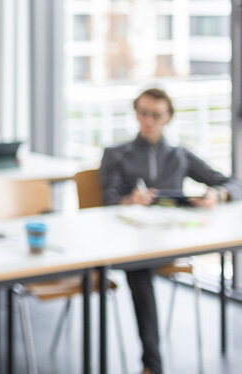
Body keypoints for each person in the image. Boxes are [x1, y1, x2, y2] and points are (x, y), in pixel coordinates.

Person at [99, 88, 241, 374]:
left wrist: (218, 195)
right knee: (139, 269)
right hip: (130, 243)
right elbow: (107, 201)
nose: (148, 121)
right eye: (143, 113)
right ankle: (152, 364)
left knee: (143, 267)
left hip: (171, 240)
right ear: (136, 113)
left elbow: (231, 183)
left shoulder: (179, 155)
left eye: (156, 115)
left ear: (169, 117)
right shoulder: (116, 154)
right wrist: (130, 200)